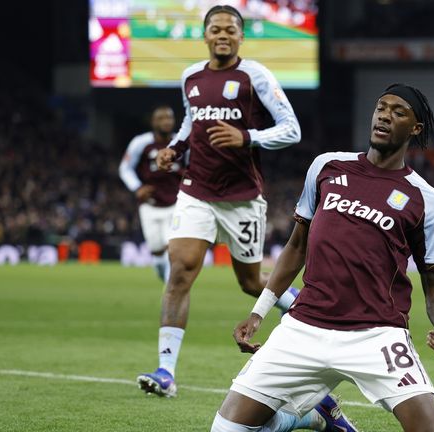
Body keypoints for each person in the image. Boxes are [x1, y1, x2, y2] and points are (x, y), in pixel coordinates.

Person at [210, 83, 434, 432]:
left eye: (398, 112)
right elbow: (296, 247)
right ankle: (309, 417)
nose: (385, 116)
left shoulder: (426, 200)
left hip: (376, 335)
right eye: (381, 108)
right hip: (303, 328)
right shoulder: (326, 166)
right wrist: (258, 313)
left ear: (415, 128)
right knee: (227, 429)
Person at [137, 5, 302, 397]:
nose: (223, 34)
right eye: (216, 29)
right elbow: (191, 122)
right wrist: (176, 149)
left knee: (251, 283)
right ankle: (166, 372)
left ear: (241, 36)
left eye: (231, 29)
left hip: (242, 198)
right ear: (205, 35)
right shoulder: (190, 77)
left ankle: (308, 310)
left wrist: (247, 137)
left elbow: (291, 129)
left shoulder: (254, 75)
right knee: (180, 272)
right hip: (196, 191)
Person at [119, 105, 183, 283]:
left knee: (172, 247)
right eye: (161, 118)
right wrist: (137, 187)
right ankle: (163, 273)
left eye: (169, 117)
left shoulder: (180, 141)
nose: (166, 121)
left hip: (176, 202)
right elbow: (125, 168)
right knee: (156, 249)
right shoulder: (141, 143)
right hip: (150, 204)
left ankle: (171, 289)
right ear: (153, 122)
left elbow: (192, 164)